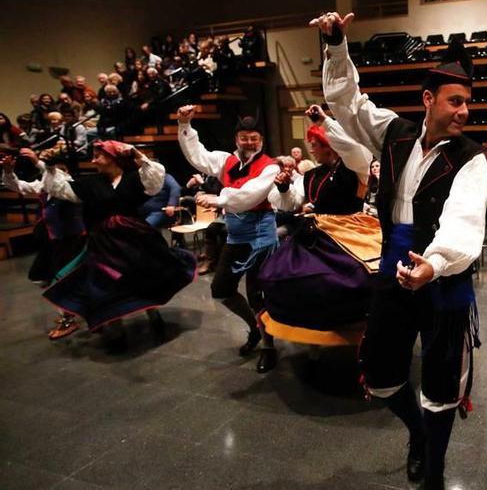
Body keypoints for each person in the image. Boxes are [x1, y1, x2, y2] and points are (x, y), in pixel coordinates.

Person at [313, 11, 487, 489]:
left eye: (467, 103)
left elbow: (464, 220)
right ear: (428, 100)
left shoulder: (472, 157)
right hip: (393, 263)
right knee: (382, 372)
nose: (463, 112)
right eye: (455, 102)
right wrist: (335, 46)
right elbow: (348, 102)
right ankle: (418, 434)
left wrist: (434, 264)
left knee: (439, 380)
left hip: (441, 273)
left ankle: (433, 470)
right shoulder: (394, 133)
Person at [40, 140, 195, 349]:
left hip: (135, 238)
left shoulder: (133, 179)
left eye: (98, 155)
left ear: (113, 158)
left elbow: (154, 179)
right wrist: (49, 167)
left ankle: (153, 314)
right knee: (107, 285)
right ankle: (116, 330)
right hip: (104, 242)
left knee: (143, 277)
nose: (93, 160)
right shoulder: (90, 183)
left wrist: (138, 155)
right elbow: (60, 189)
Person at [257, 105, 377, 372]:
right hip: (314, 231)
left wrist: (325, 122)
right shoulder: (310, 174)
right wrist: (285, 187)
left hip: (349, 231)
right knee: (290, 277)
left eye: (315, 144)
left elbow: (357, 152)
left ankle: (365, 336)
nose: (311, 149)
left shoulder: (353, 169)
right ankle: (311, 336)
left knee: (352, 281)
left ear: (328, 145)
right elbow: (294, 203)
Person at [177, 105, 280, 358]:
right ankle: (255, 328)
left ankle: (268, 345)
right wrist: (184, 125)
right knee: (221, 289)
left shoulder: (270, 166)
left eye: (254, 138)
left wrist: (219, 199)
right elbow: (197, 156)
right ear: (236, 139)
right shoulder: (226, 160)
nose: (249, 142)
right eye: (244, 138)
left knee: (257, 295)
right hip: (236, 236)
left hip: (261, 238)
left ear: (261, 141)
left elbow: (250, 195)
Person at [2, 147, 87, 339]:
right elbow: (19, 186)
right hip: (55, 240)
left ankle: (68, 319)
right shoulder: (45, 186)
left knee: (64, 279)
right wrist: (8, 171)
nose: (49, 171)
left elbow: (55, 178)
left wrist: (39, 162)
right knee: (49, 277)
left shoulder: (69, 184)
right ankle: (70, 312)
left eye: (54, 167)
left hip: (72, 239)